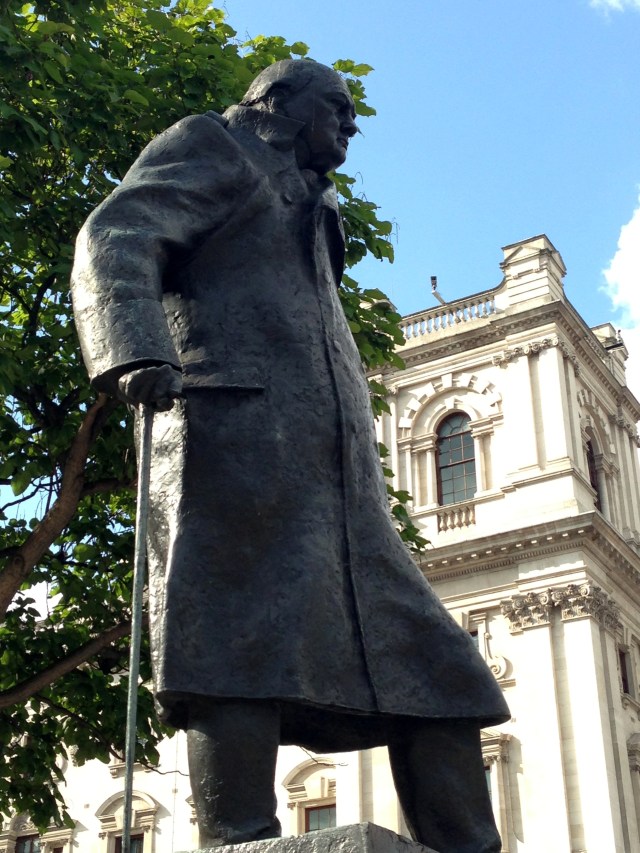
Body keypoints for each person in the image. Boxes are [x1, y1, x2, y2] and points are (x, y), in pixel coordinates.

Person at [71, 59, 510, 853]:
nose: (350, 125)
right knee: (230, 637)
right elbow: (115, 232)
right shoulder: (213, 144)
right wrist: (134, 349)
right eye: (336, 108)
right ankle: (240, 836)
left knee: (441, 669)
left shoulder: (315, 195)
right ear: (278, 104)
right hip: (225, 436)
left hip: (331, 472)